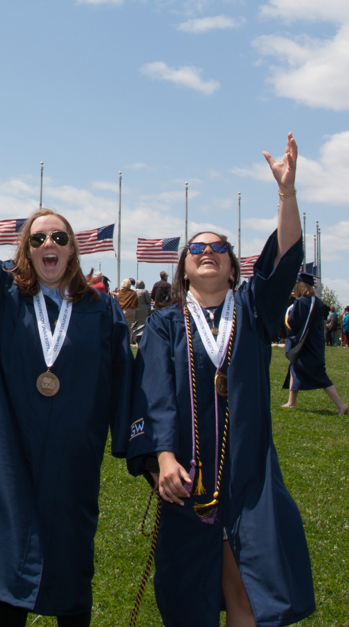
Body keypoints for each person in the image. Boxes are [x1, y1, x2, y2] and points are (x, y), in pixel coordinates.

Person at [0, 125, 132, 627]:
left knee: (71, 558)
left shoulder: (102, 311)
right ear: (26, 249)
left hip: (72, 455)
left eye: (58, 237)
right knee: (10, 560)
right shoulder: (0, 300)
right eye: (38, 237)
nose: (49, 243)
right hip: (10, 449)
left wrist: (147, 453)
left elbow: (125, 384)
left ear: (72, 250)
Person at [126, 132, 315, 627]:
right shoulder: (167, 322)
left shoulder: (253, 310)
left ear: (234, 268)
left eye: (218, 248)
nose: (207, 251)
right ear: (184, 270)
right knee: (187, 597)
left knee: (247, 587)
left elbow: (288, 257)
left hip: (248, 471)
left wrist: (286, 195)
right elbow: (155, 394)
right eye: (197, 248)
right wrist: (163, 455)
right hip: (188, 473)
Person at [282, 273, 348, 414]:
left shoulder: (300, 303)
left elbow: (294, 322)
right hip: (316, 343)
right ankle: (291, 402)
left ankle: (341, 405)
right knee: (295, 367)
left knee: (318, 375)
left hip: (305, 344)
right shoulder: (317, 302)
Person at [117, 278, 139, 343]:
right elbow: (136, 303)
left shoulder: (120, 293)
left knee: (121, 327)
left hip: (121, 311)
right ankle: (128, 342)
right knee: (129, 328)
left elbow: (117, 302)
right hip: (130, 311)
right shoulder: (133, 293)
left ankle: (121, 341)